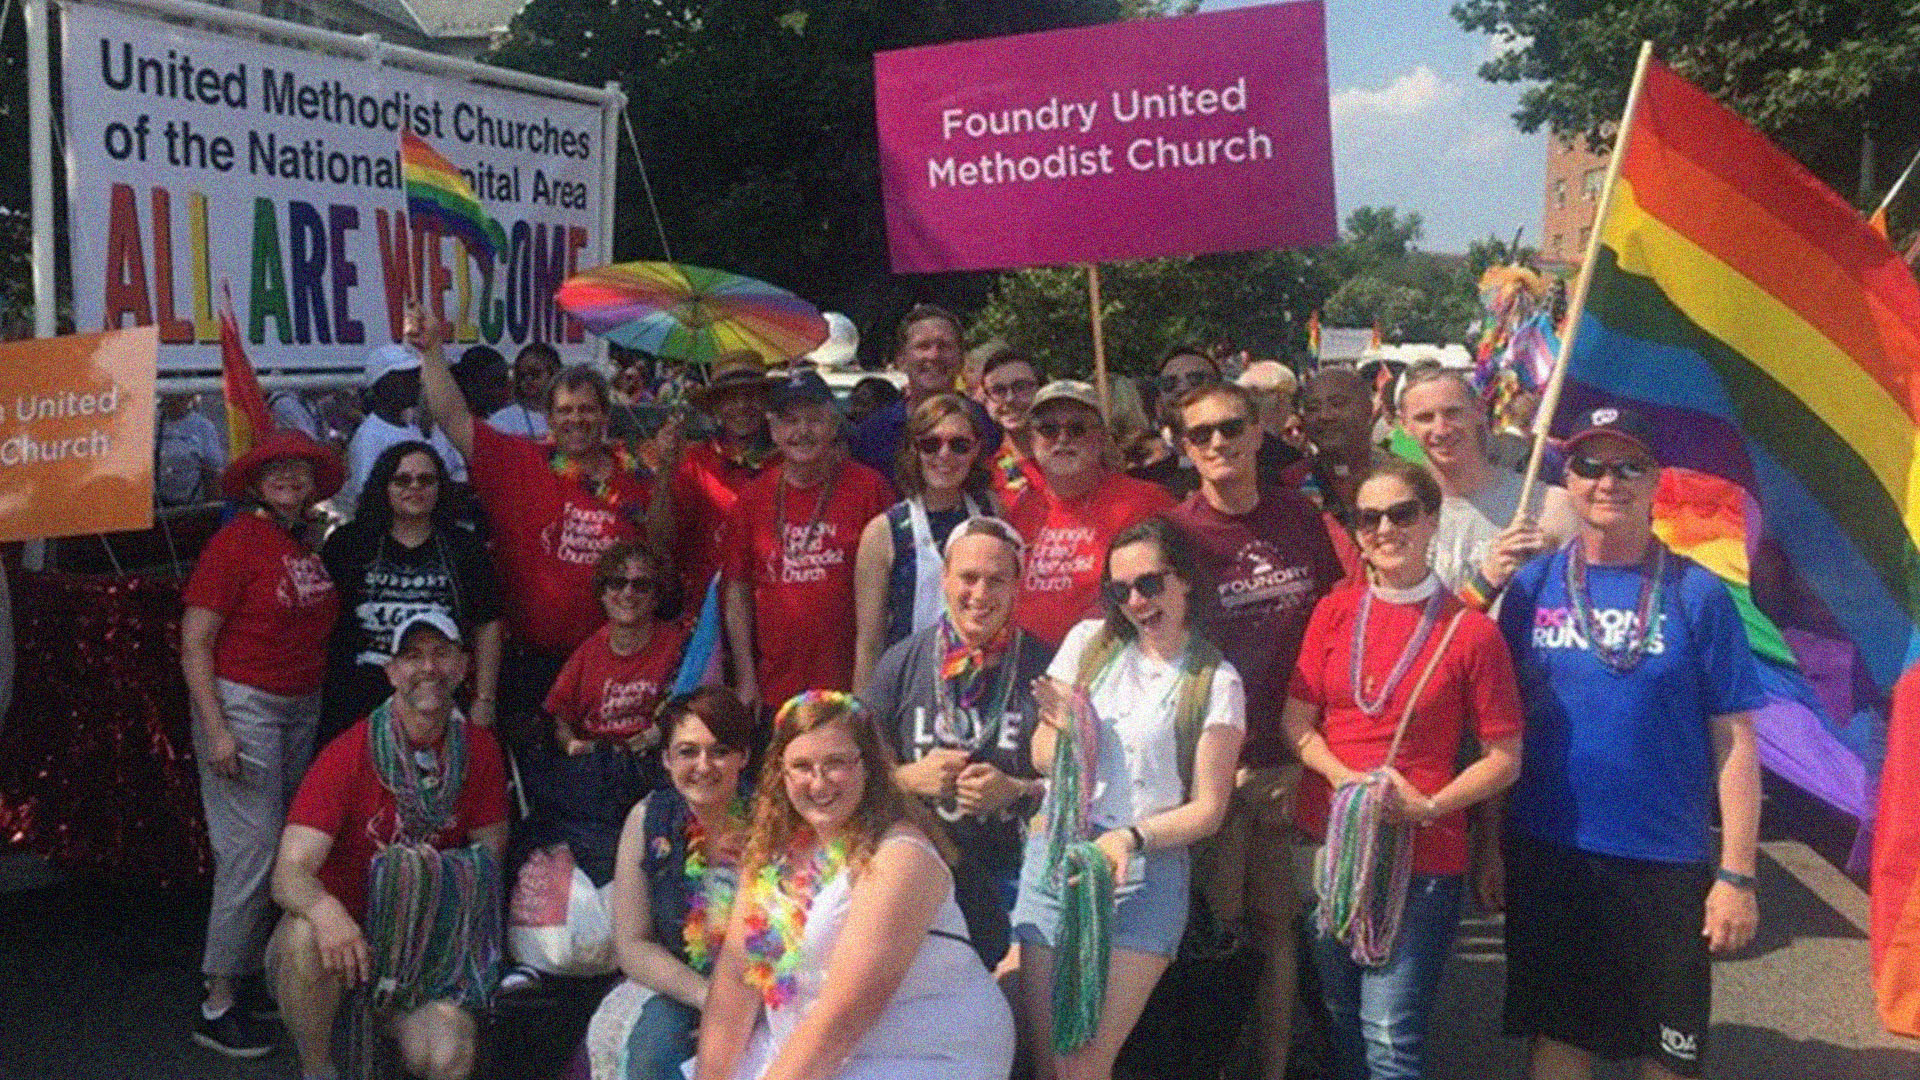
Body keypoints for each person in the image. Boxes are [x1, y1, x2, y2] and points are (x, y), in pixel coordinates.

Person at [1492, 407, 1763, 1080]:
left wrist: (1736, 874)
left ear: (1655, 481)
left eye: (1629, 466)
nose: (1607, 481)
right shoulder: (1531, 586)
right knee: (1560, 1043)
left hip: (1663, 861)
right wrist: (1486, 844)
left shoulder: (1698, 593)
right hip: (1549, 850)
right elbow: (1502, 729)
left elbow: (1734, 741)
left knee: (1666, 1055)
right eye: (1589, 465)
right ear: (1567, 479)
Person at [1281, 457, 1524, 1080]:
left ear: (1432, 520)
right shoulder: (1333, 612)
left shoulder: (1470, 633)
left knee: (1390, 1032)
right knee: (1341, 1015)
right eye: (1369, 518)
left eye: (1402, 514)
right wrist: (1345, 780)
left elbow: (1504, 758)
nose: (1385, 529)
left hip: (1424, 854)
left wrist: (1429, 806)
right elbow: (1297, 724)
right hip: (1332, 844)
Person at [1013, 517, 1244, 1080]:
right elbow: (1040, 752)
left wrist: (1129, 838)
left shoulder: (1216, 682)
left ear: (1186, 580)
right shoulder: (1086, 643)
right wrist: (1070, 734)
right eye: (1120, 591)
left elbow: (1209, 810)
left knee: (1082, 1060)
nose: (1137, 602)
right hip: (1059, 855)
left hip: (1144, 871)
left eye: (1150, 584)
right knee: (1047, 1061)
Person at [1163, 381, 1346, 1080]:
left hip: (1290, 756)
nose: (1218, 442)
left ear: (1257, 432)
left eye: (1231, 427)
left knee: (1276, 928)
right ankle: (1210, 1062)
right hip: (1208, 765)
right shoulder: (1174, 534)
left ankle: (1271, 1068)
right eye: (1201, 433)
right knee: (1215, 928)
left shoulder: (1299, 516)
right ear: (1184, 448)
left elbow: (1335, 618)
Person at [693, 691, 1017, 1080]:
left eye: (836, 763)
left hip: (919, 1054)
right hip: (803, 1048)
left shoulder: (901, 856)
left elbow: (842, 1017)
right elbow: (735, 980)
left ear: (869, 767)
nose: (818, 783)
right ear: (781, 773)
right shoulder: (770, 854)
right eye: (801, 766)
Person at [269, 613, 510, 1080]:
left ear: (463, 666)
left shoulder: (479, 750)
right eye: (413, 656)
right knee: (304, 937)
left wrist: (418, 896)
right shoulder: (349, 751)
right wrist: (327, 912)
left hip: (424, 951)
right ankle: (318, 1068)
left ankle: (386, 1025)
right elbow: (287, 874)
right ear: (392, 672)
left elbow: (489, 862)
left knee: (448, 1056)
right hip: (342, 943)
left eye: (441, 654)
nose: (428, 667)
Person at [417, 310, 675, 726]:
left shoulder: (636, 475)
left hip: (613, 660)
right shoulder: (520, 462)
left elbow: (660, 547)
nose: (576, 420)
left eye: (587, 410)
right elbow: (453, 419)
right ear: (550, 418)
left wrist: (664, 476)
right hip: (530, 662)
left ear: (605, 416)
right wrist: (431, 351)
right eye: (565, 411)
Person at [180, 428, 343, 1059]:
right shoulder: (236, 541)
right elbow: (195, 643)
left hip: (300, 706)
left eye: (299, 470)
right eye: (275, 470)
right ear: (254, 483)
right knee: (250, 850)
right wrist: (217, 727)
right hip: (244, 706)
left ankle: (263, 975)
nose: (289, 479)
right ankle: (218, 998)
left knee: (286, 845)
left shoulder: (301, 542)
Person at [504, 540, 699, 993]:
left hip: (650, 771)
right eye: (616, 583)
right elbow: (558, 714)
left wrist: (652, 739)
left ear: (657, 594)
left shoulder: (677, 646)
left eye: (641, 585)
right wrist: (571, 743)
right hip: (592, 773)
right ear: (602, 592)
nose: (627, 593)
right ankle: (540, 955)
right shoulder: (591, 650)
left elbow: (688, 708)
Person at [861, 516, 1049, 967]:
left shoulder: (1047, 667)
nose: (980, 594)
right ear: (944, 578)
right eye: (968, 577)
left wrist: (1017, 790)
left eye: (996, 580)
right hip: (921, 877)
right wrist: (907, 779)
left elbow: (1082, 787)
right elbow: (851, 775)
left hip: (1014, 879)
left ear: (1017, 586)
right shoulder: (901, 663)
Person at [584, 688, 757, 1080]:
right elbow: (632, 944)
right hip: (681, 983)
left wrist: (741, 1006)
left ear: (743, 757)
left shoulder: (772, 821)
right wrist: (708, 998)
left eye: (720, 751)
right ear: (666, 759)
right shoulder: (648, 820)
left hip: (763, 988)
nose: (703, 766)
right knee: (654, 1052)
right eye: (687, 752)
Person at [722, 367, 893, 713]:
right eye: (790, 421)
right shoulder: (753, 497)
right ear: (773, 430)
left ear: (833, 426)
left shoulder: (870, 488)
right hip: (775, 688)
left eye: (814, 420)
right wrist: (746, 676)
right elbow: (737, 589)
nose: (802, 431)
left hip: (853, 684)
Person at [319, 441, 505, 747]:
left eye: (426, 480)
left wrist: (484, 699)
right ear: (384, 486)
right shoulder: (348, 544)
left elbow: (487, 626)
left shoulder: (464, 547)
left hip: (440, 694)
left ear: (440, 487)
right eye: (402, 480)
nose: (414, 487)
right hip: (357, 698)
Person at [1005, 380, 1174, 648]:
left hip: (1113, 656)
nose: (1062, 439)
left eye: (1077, 428)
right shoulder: (1019, 508)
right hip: (1027, 659)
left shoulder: (1147, 501)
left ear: (1102, 437)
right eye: (1048, 429)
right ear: (1031, 439)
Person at [1394, 365, 1576, 606]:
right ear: (1405, 425)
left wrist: (1548, 566)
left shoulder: (1548, 505)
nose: (1441, 429)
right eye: (1425, 418)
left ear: (1479, 410)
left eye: (1453, 413)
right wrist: (1487, 580)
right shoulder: (1395, 514)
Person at [852, 393, 997, 691]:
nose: (944, 455)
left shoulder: (992, 512)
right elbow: (869, 644)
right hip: (909, 687)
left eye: (959, 445)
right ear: (913, 450)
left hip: (982, 684)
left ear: (976, 450)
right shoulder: (884, 531)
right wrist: (863, 712)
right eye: (930, 444)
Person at [669, 352, 779, 603]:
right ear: (716, 406)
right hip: (707, 604)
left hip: (772, 602)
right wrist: (666, 468)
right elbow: (668, 540)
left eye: (751, 395)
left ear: (765, 401)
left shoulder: (786, 461)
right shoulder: (694, 462)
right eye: (731, 397)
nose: (741, 406)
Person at [849, 305, 995, 476]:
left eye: (945, 346)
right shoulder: (873, 434)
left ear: (961, 358)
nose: (934, 355)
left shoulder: (985, 425)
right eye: (923, 346)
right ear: (901, 359)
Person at [337, 343, 468, 520]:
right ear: (382, 385)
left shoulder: (411, 428)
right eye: (405, 378)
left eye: (415, 375)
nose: (415, 382)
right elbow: (366, 497)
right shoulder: (370, 436)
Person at [1297, 366, 1393, 529]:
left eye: (1337, 404)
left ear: (1368, 409)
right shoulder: (1291, 482)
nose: (1325, 416)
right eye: (1313, 408)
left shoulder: (1402, 476)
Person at [975, 346, 1045, 503]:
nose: (1010, 399)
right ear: (986, 400)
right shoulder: (984, 474)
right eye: (998, 390)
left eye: (1021, 387)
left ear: (1042, 390)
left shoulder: (1071, 458)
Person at [157, 393, 225, 506]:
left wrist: (212, 510)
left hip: (193, 505)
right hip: (156, 506)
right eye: (170, 396)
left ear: (189, 397)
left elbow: (213, 473)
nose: (174, 401)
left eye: (180, 397)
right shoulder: (151, 424)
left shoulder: (203, 427)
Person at [494, 342, 560, 438]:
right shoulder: (502, 419)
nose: (528, 380)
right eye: (522, 375)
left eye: (535, 373)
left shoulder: (570, 413)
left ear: (554, 373)